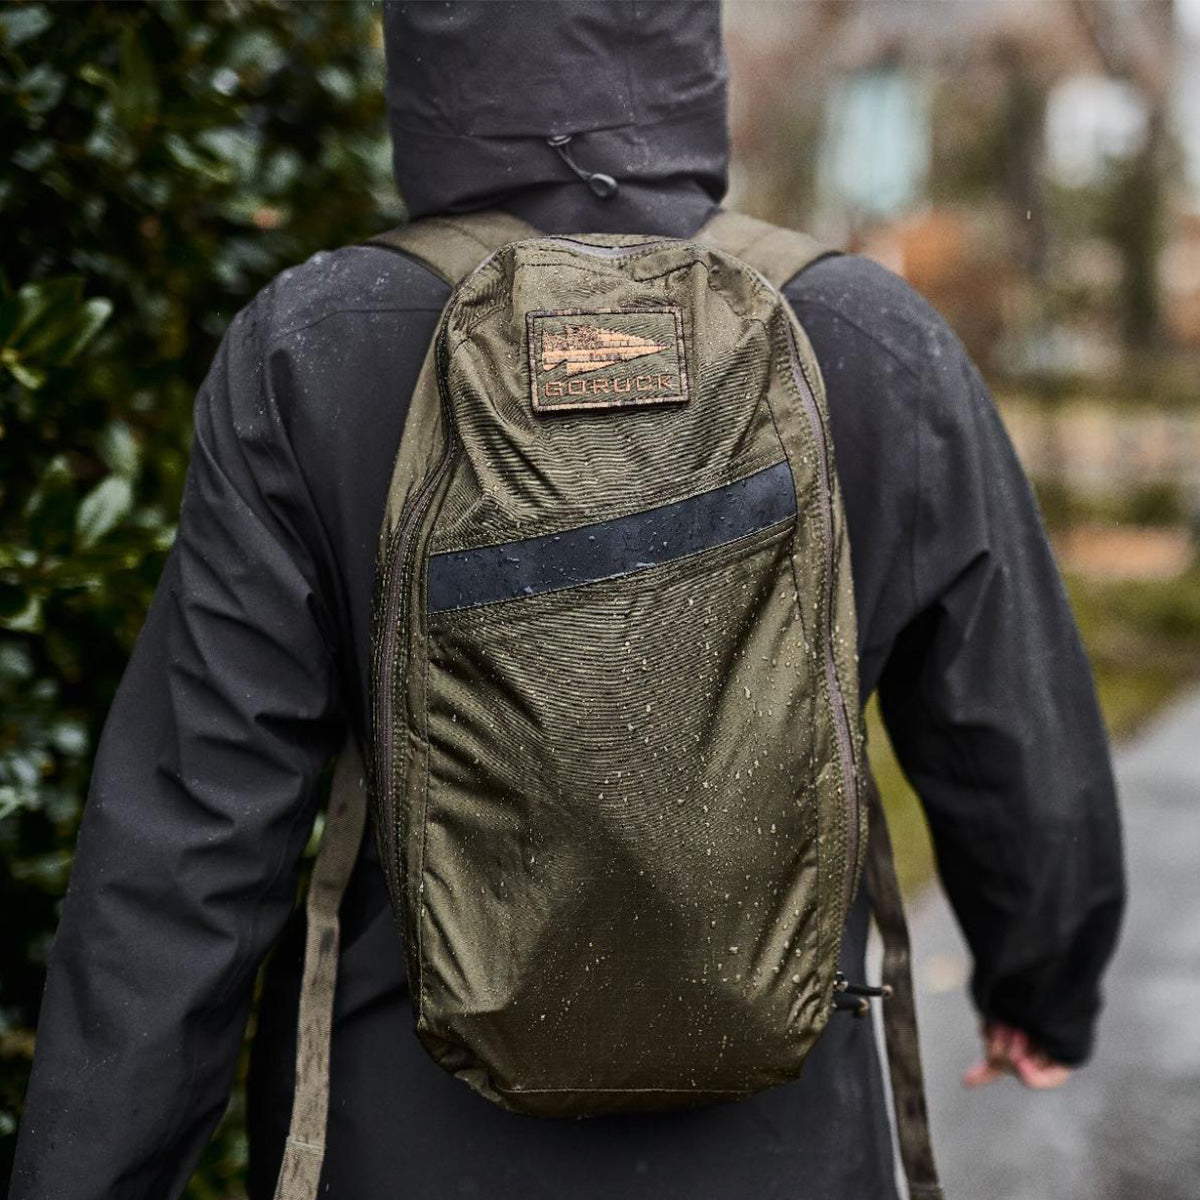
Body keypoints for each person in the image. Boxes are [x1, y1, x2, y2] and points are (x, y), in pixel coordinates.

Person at [11, 4, 1124, 1198]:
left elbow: (190, 837)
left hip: (402, 1134)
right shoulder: (869, 338)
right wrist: (1040, 986)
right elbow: (1017, 732)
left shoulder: (316, 351)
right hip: (786, 1138)